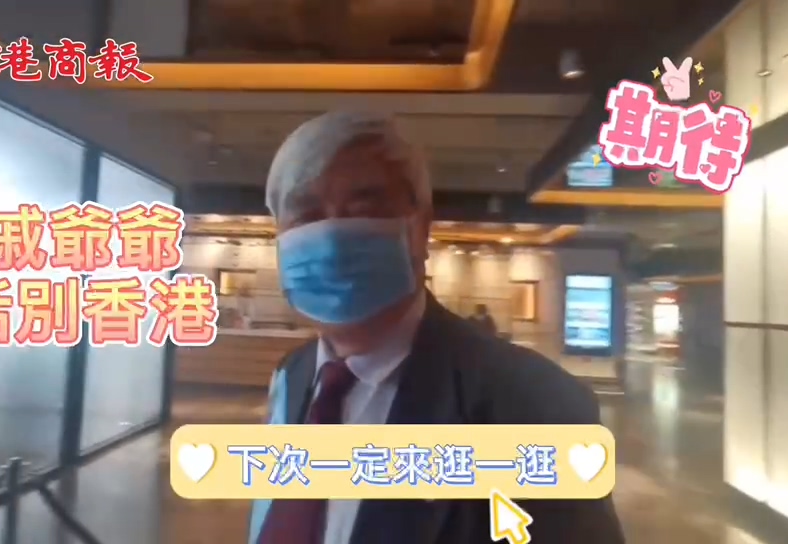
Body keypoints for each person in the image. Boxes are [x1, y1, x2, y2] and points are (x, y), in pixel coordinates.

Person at [249, 111, 625, 544]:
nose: (331, 236)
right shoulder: (292, 376)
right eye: (306, 215)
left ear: (420, 227)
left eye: (364, 210)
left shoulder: (535, 407)